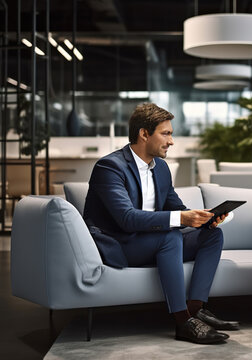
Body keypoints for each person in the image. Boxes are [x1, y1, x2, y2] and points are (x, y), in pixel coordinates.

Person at [84, 103, 239, 344]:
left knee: (212, 236)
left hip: (150, 241)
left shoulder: (161, 169)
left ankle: (196, 310)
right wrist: (181, 219)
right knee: (170, 236)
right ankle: (181, 321)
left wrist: (205, 218)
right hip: (120, 244)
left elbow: (176, 209)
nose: (172, 141)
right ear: (144, 134)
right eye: (166, 133)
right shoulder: (110, 167)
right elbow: (127, 219)